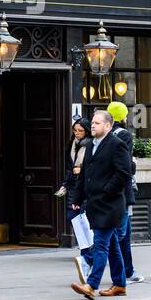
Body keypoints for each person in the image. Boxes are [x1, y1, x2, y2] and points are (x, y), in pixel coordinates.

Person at [70, 109, 133, 300]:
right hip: (95, 203)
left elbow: (124, 173)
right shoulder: (90, 146)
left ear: (108, 126)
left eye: (97, 123)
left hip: (110, 204)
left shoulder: (117, 145)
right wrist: (77, 198)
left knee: (100, 245)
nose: (93, 126)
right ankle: (120, 284)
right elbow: (84, 175)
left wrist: (107, 191)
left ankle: (91, 284)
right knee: (112, 245)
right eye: (93, 123)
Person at [106, 101, 145, 284]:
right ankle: (90, 263)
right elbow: (126, 166)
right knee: (119, 235)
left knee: (124, 233)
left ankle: (128, 272)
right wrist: (134, 163)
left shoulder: (102, 135)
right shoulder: (124, 135)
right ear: (122, 116)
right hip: (121, 191)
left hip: (108, 189)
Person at [58, 118, 92, 283]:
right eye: (75, 130)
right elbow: (68, 168)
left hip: (84, 188)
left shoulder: (90, 145)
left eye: (80, 131)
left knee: (80, 218)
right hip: (72, 187)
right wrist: (64, 184)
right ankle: (88, 251)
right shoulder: (71, 145)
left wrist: (81, 170)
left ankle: (88, 253)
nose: (77, 133)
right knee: (75, 218)